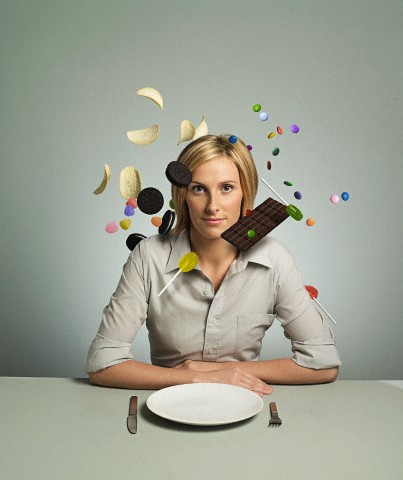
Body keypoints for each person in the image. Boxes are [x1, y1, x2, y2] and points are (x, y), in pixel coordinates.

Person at [87, 134, 341, 396]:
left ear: (246, 192)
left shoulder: (274, 258)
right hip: (170, 408)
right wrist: (191, 378)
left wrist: (229, 374)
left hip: (245, 408)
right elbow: (102, 364)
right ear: (183, 194)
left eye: (227, 188)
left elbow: (323, 362)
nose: (212, 206)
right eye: (199, 189)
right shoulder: (149, 256)